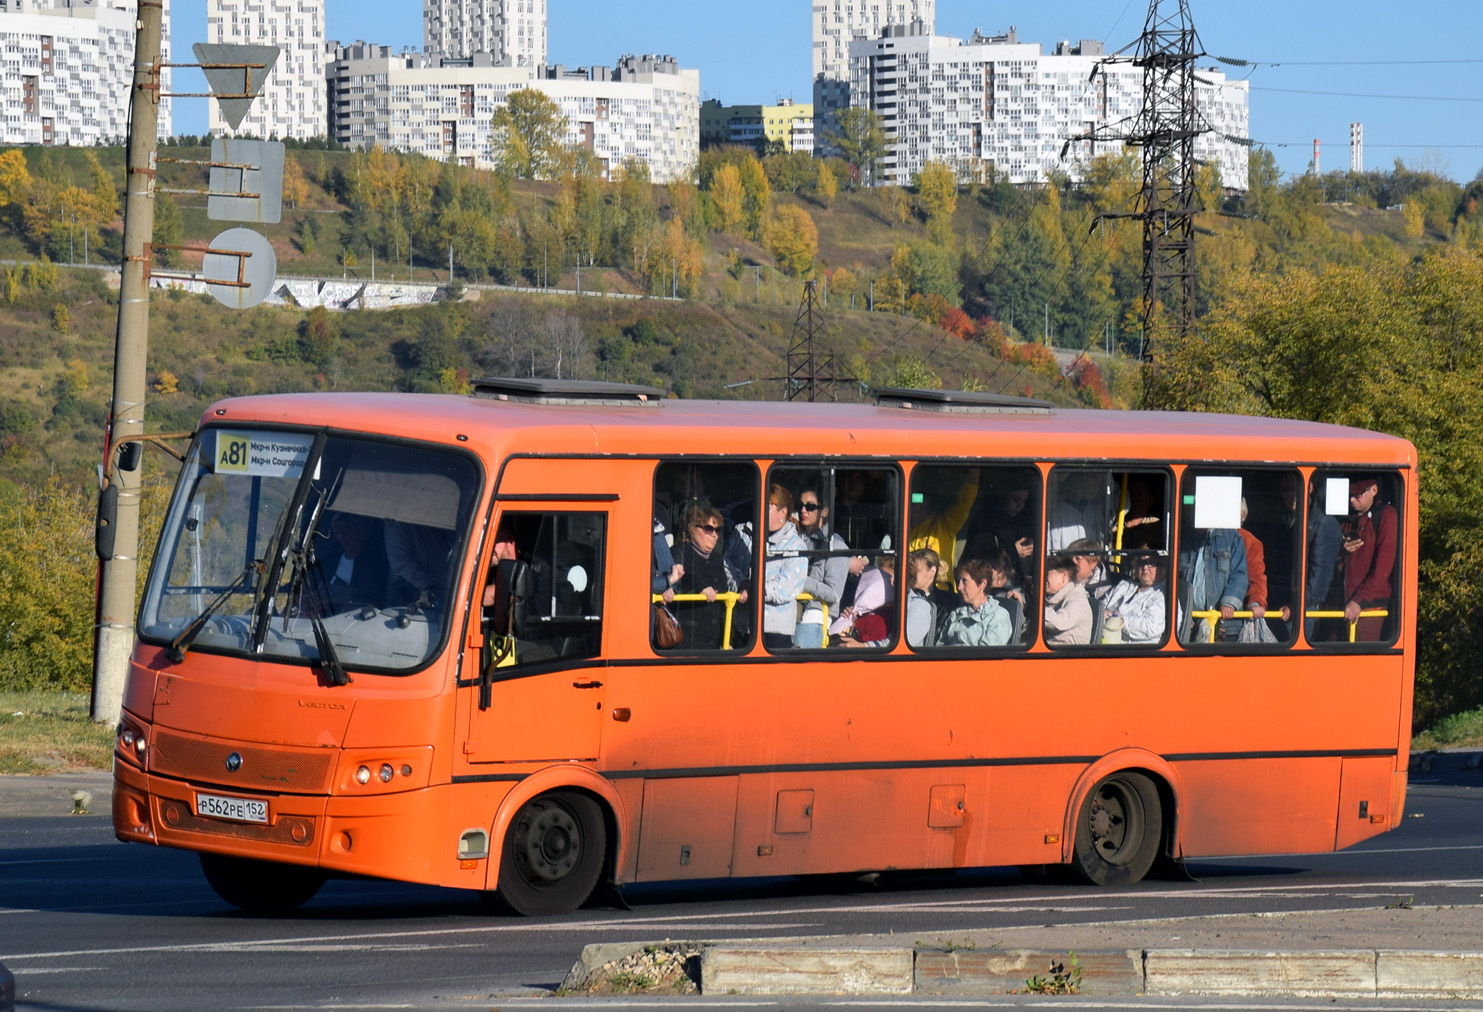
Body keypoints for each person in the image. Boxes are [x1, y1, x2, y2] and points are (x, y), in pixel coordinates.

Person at [667, 504, 742, 650]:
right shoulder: (678, 553)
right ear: (692, 529)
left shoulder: (717, 559)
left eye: (717, 530)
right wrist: (698, 592)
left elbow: (724, 603)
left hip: (714, 642)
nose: (714, 535)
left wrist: (727, 640)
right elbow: (672, 589)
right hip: (686, 641)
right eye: (708, 529)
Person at [1338, 476, 1397, 642]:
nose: (1351, 500)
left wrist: (1358, 600)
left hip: (1370, 609)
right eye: (1349, 494)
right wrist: (1340, 551)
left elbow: (1383, 567)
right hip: (1341, 606)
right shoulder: (1346, 519)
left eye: (1357, 495)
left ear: (1374, 490)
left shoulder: (1386, 516)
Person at [795, 486, 850, 647]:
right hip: (791, 613)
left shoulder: (836, 545)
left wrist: (798, 580)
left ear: (824, 512)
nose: (803, 510)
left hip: (814, 617)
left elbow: (834, 593)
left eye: (810, 506)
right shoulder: (797, 540)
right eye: (801, 506)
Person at [909, 468, 980, 591]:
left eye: (918, 498)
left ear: (927, 502)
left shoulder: (944, 525)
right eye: (910, 499)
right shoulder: (900, 527)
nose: (913, 503)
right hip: (907, 590)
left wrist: (973, 480)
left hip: (939, 592)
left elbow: (964, 505)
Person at [1177, 523, 1248, 644]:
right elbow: (1176, 576)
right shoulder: (1182, 538)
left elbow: (1239, 575)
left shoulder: (1232, 538)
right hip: (1189, 622)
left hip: (1223, 625)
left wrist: (1229, 604)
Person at [762, 484, 808, 650]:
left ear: (783, 513)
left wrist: (755, 591)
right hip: (744, 625)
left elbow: (787, 588)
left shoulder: (796, 546)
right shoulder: (749, 536)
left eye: (767, 506)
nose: (760, 510)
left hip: (776, 631)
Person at [320, 512, 388, 613]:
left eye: (345, 532)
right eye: (337, 533)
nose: (340, 538)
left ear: (359, 532)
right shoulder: (330, 559)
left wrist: (342, 595)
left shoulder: (373, 565)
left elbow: (372, 600)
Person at [940, 557, 1013, 647]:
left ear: (982, 584)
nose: (959, 587)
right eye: (959, 581)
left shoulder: (998, 616)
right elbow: (940, 645)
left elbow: (987, 655)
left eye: (964, 581)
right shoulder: (956, 613)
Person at [1303, 480, 1342, 643]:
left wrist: (1298, 604)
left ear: (1310, 487)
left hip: (1304, 608)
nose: (1289, 495)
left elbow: (1319, 575)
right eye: (1284, 490)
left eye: (1292, 489)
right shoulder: (1294, 519)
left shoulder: (1324, 523)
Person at [1101, 554, 1167, 644]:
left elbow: (1152, 627)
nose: (1145, 567)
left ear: (1163, 567)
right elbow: (1102, 606)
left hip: (1136, 651)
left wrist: (1118, 619)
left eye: (1151, 563)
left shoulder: (1164, 596)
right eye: (1142, 563)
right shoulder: (1124, 586)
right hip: (1104, 639)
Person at [833, 555, 895, 648]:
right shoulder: (864, 603)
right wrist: (849, 614)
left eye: (885, 576)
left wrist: (861, 645)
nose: (880, 580)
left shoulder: (895, 608)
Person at [1237, 497, 1273, 641]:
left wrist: (1256, 602)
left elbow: (1257, 576)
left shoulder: (1250, 542)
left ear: (1242, 514)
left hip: (1233, 616)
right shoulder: (1205, 537)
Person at [1043, 556, 1093, 645]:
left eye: (1047, 573)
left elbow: (1059, 623)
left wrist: (1036, 608)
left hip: (1065, 654)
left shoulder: (1078, 600)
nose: (1043, 577)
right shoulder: (1054, 597)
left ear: (1064, 576)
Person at [904, 548, 941, 648]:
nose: (912, 574)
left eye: (917, 571)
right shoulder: (902, 597)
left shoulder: (947, 602)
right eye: (910, 570)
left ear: (932, 571)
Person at [1066, 537, 1112, 602]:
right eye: (1070, 558)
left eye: (1077, 559)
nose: (1072, 561)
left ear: (1093, 563)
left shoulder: (1104, 591)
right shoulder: (1061, 578)